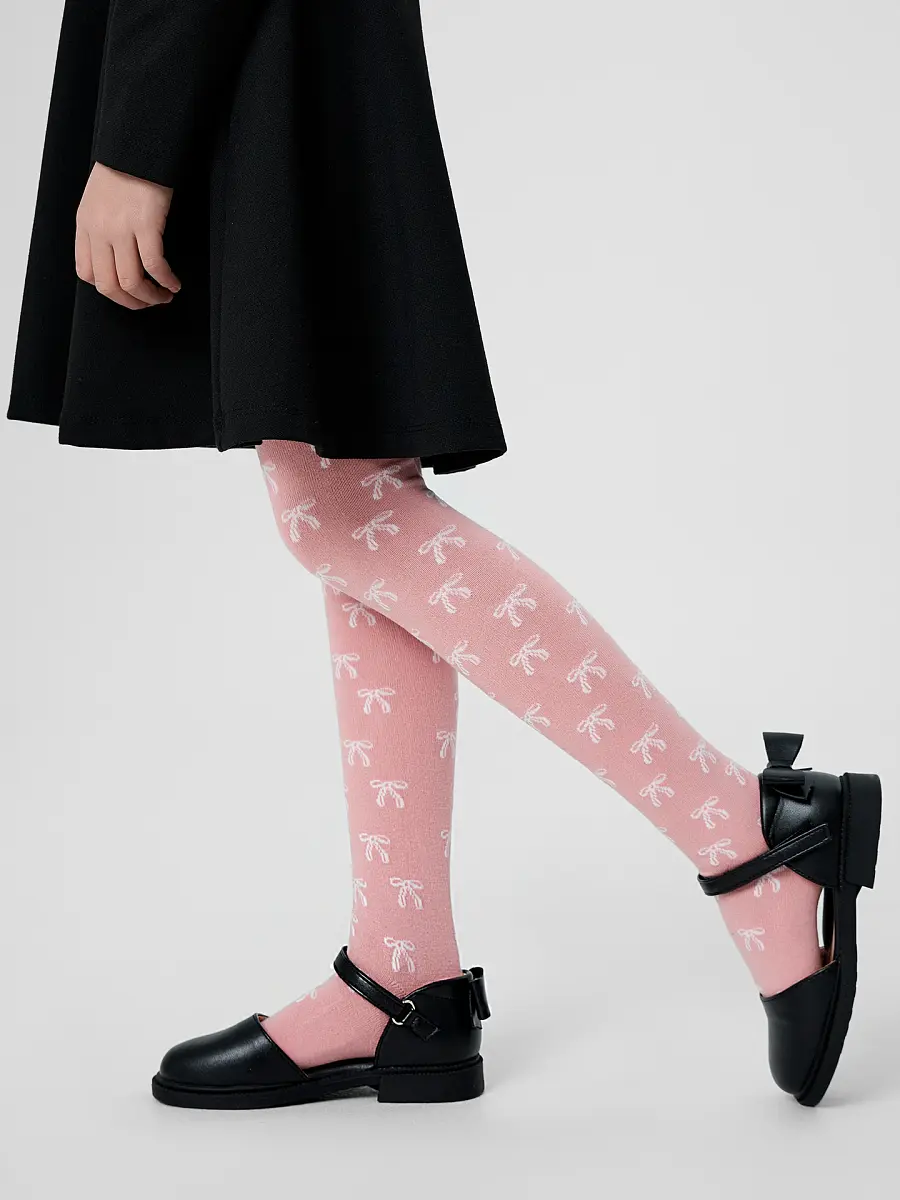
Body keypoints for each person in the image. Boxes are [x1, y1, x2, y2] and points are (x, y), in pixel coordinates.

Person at [8, 1, 881, 1111]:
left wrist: (138, 133)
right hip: (295, 38)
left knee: (338, 508)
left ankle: (744, 828)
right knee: (351, 485)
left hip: (264, 34)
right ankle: (402, 973)